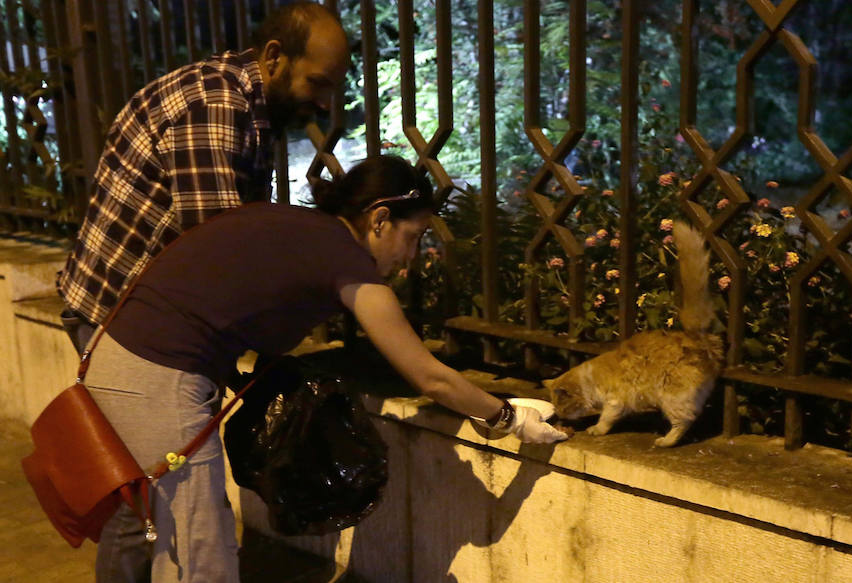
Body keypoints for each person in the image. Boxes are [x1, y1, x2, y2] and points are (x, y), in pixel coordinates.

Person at [81, 154, 568, 581]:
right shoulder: (343, 257)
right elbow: (429, 376)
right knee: (201, 552)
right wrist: (506, 416)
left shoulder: (301, 230)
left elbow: (219, 299)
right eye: (413, 236)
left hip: (128, 360)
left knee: (178, 540)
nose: (411, 258)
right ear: (379, 219)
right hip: (156, 377)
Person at [57, 1, 350, 354]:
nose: (324, 103)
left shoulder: (253, 106)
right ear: (274, 56)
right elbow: (218, 247)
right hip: (115, 320)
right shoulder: (216, 104)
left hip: (144, 314)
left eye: (331, 88)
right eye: (317, 83)